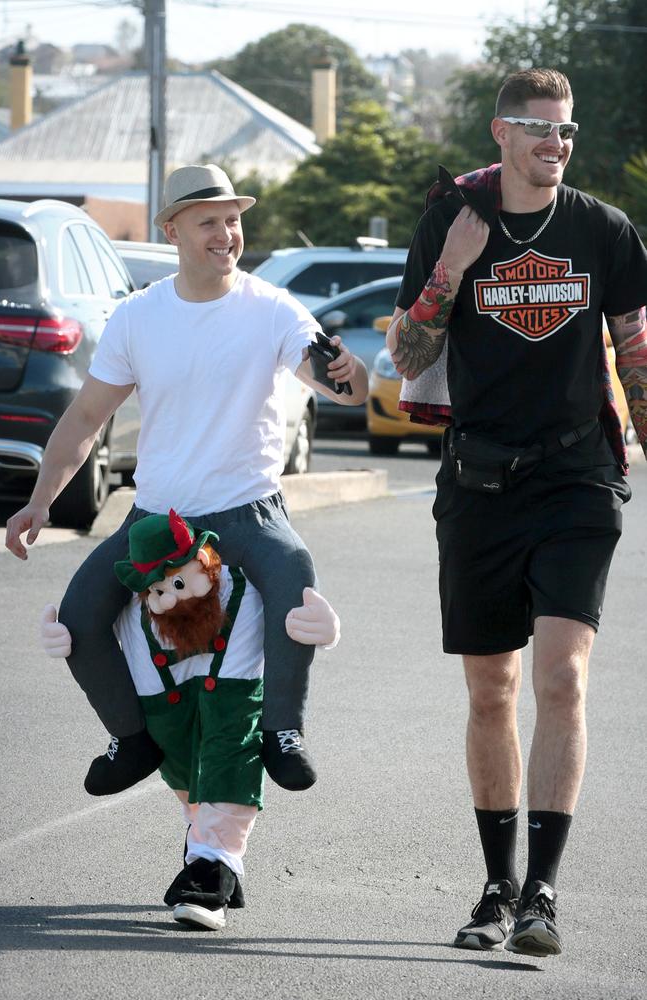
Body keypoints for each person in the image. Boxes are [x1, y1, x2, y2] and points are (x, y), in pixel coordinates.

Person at [386, 68, 647, 958]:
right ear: (500, 134)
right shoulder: (450, 221)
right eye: (539, 130)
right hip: (479, 482)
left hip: (577, 477)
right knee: (491, 688)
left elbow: (636, 349)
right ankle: (495, 888)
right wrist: (453, 270)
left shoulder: (602, 229)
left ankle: (543, 892)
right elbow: (407, 349)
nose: (557, 145)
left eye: (566, 132)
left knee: (563, 678)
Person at [6, 163, 368, 797]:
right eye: (209, 222)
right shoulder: (137, 317)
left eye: (233, 220)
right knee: (79, 619)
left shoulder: (273, 309)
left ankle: (283, 733)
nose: (227, 234)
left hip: (247, 511)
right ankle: (132, 738)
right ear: (172, 230)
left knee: (296, 580)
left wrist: (347, 371)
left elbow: (339, 385)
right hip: (158, 519)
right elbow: (86, 417)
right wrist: (39, 502)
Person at [40, 510, 341, 931]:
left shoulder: (241, 585)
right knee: (177, 754)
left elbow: (289, 593)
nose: (166, 598)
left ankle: (211, 869)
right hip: (166, 698)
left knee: (231, 739)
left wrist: (325, 629)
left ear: (205, 563)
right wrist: (70, 634)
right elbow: (93, 622)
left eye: (176, 583)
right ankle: (207, 843)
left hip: (232, 678)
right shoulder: (140, 605)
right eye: (156, 590)